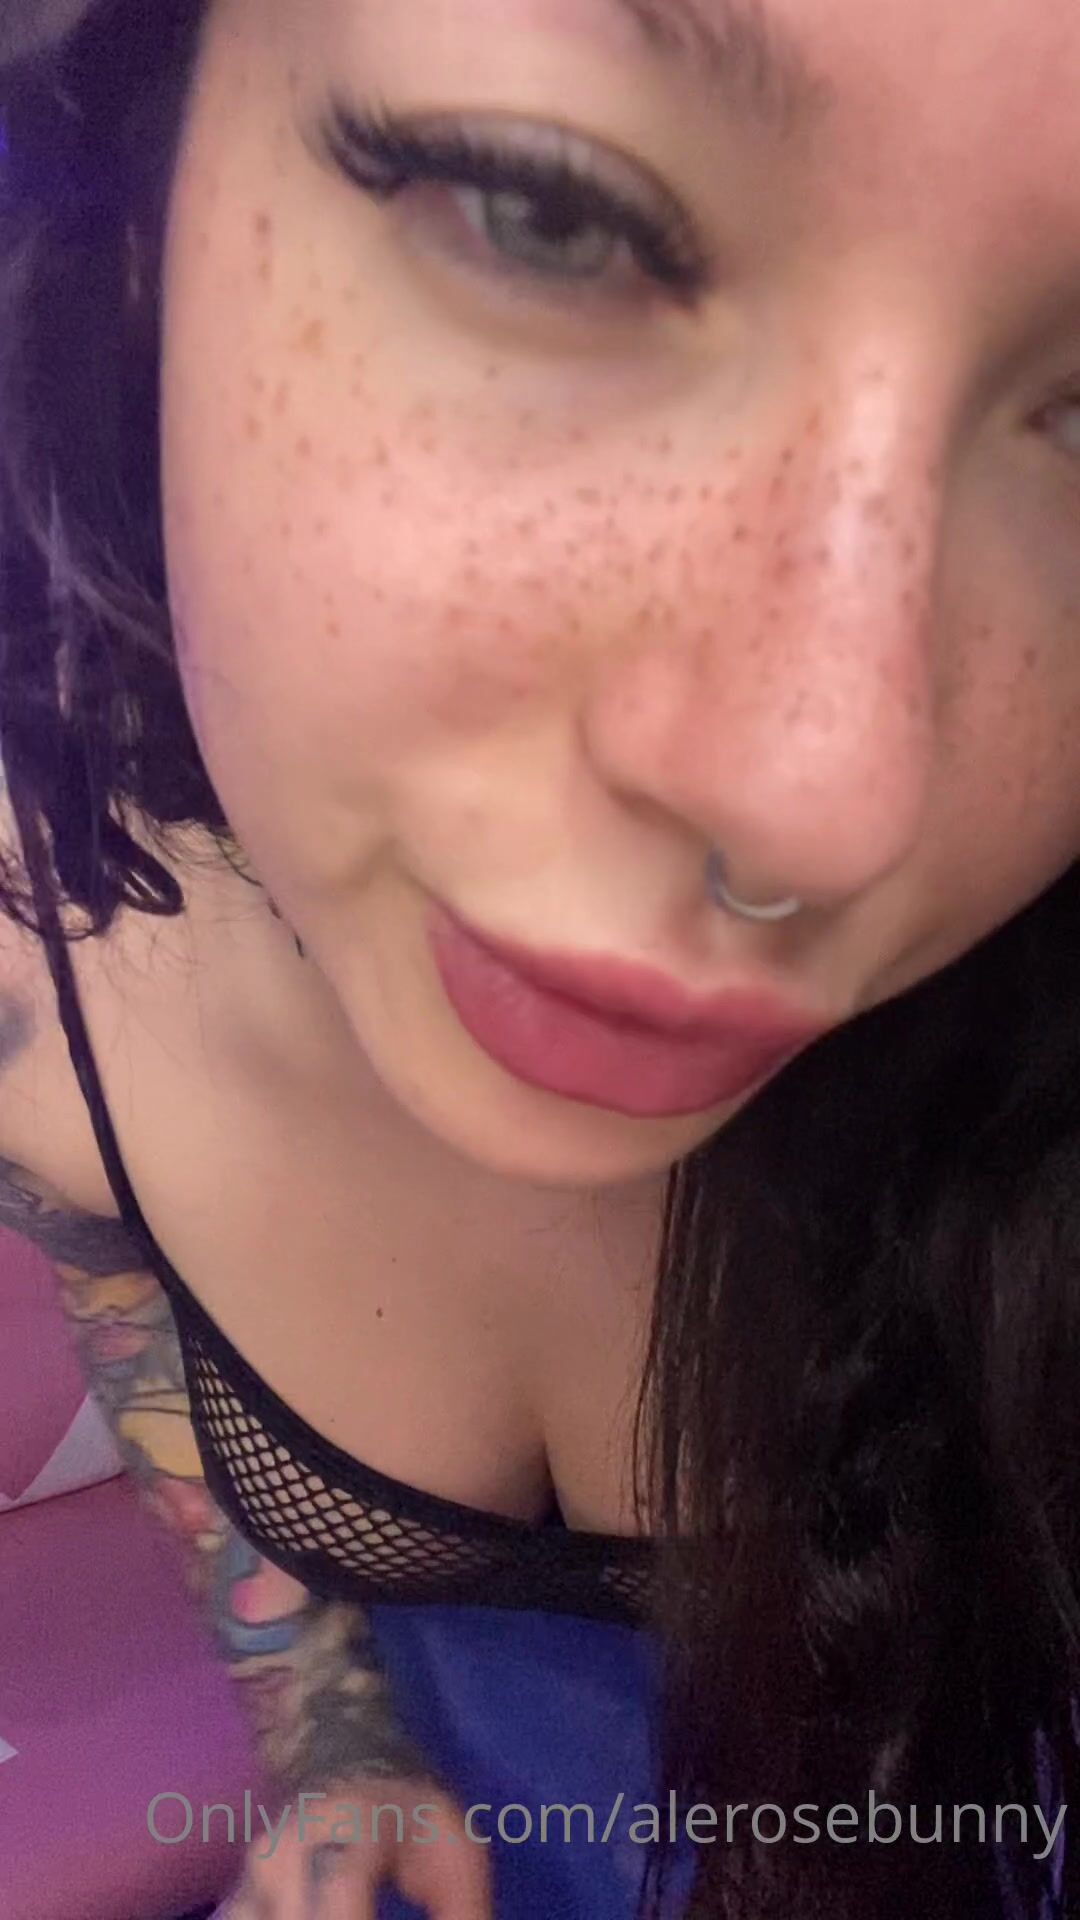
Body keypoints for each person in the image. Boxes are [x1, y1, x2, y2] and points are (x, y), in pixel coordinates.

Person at [0, 0, 1078, 1915]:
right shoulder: (39, 944)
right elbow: (125, 1288)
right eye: (547, 214)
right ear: (144, 200)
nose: (820, 803)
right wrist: (329, 1729)